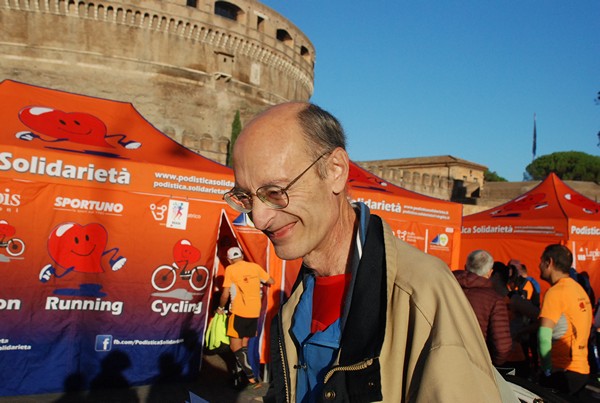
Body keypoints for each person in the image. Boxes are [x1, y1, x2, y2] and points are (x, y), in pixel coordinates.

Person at [223, 102, 517, 402]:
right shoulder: (295, 303)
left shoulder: (422, 294)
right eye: (245, 197)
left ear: (335, 171)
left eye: (275, 192)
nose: (258, 218)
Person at [537, 244, 593, 396]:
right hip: (581, 369)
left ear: (549, 262)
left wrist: (546, 370)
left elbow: (544, 336)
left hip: (560, 371)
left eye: (541, 261)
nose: (538, 265)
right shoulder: (578, 290)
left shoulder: (555, 293)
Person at [218, 246, 274, 388]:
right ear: (242, 255)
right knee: (242, 346)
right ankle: (240, 379)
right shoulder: (255, 267)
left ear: (229, 260)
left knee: (234, 347)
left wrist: (219, 308)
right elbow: (271, 281)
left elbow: (225, 294)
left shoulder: (230, 269)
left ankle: (251, 377)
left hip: (238, 312)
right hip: (254, 313)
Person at [454, 250, 512, 366]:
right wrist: (491, 365)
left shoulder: (446, 288)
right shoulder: (494, 299)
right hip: (476, 365)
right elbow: (502, 346)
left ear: (466, 267)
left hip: (443, 359)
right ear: (490, 273)